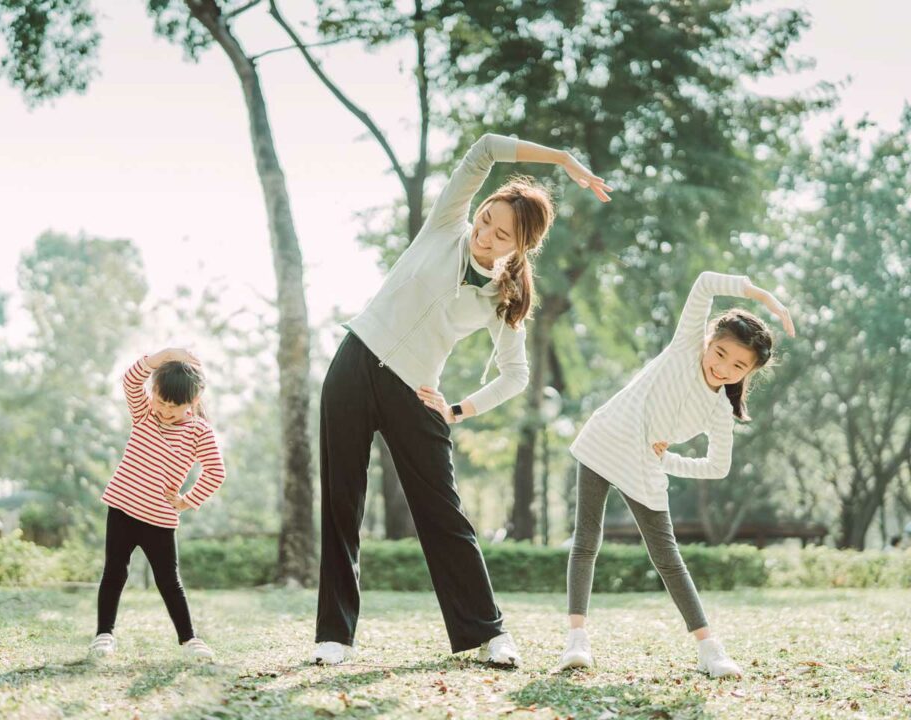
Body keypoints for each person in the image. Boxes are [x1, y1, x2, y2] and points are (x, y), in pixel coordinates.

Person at [313, 132, 612, 666]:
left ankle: (488, 633)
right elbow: (486, 149)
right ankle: (333, 637)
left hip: (417, 391)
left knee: (444, 515)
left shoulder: (504, 297)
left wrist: (457, 409)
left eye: (501, 237)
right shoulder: (446, 225)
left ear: (520, 248)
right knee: (341, 504)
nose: (486, 235)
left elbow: (516, 374)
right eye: (487, 222)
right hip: (355, 364)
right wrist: (562, 157)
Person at [560, 272, 794, 678]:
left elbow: (717, 467)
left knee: (668, 557)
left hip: (645, 464)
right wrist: (761, 295)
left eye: (738, 365)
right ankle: (576, 640)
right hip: (606, 437)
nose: (724, 366)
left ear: (749, 373)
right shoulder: (686, 347)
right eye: (720, 353)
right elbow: (703, 282)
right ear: (708, 340)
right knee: (586, 541)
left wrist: (668, 462)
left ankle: (709, 648)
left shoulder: (720, 411)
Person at [89, 348, 225, 661]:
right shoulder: (144, 414)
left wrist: (186, 500)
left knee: (169, 581)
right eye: (160, 401)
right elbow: (130, 380)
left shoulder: (198, 432)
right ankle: (104, 635)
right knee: (114, 572)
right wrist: (162, 357)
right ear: (154, 394)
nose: (164, 410)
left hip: (159, 520)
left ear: (192, 401)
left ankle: (190, 640)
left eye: (173, 406)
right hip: (122, 509)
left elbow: (216, 471)